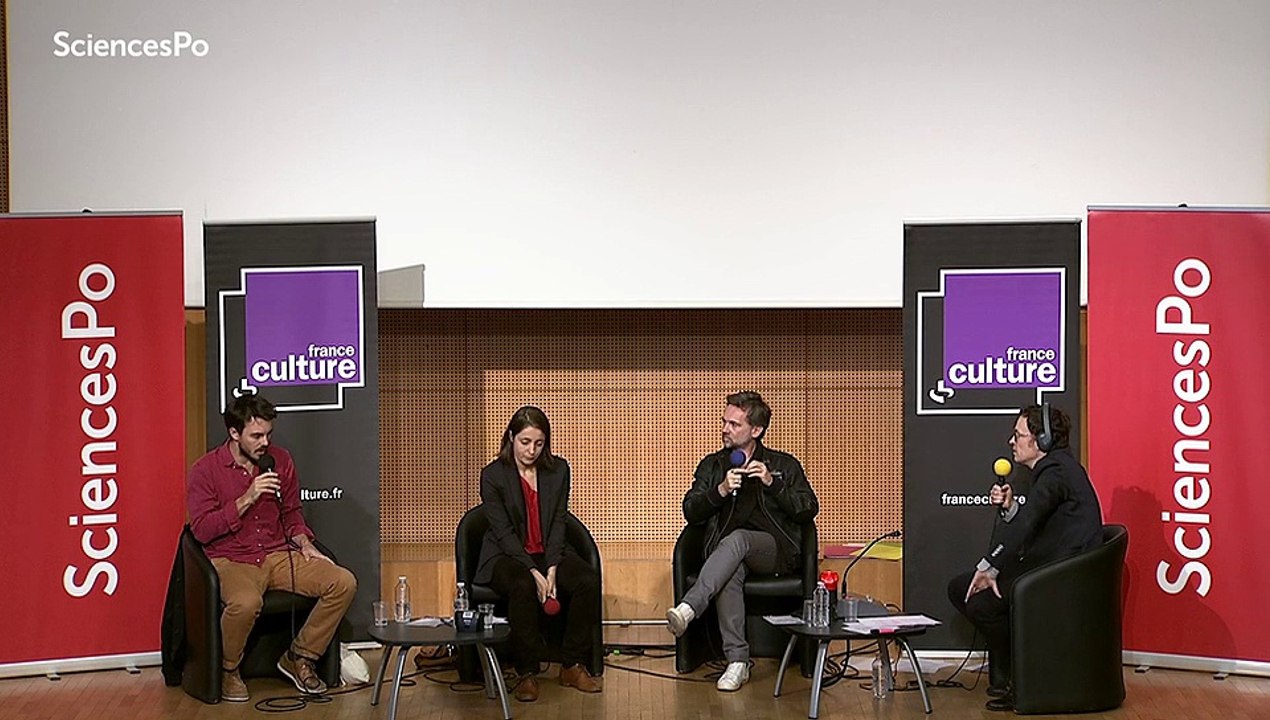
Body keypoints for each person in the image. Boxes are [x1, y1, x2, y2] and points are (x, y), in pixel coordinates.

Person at [187, 393, 357, 702]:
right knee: (246, 602)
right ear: (234, 434)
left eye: (268, 434)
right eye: (256, 435)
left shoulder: (281, 460)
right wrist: (247, 498)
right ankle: (228, 670)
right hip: (231, 557)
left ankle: (299, 656)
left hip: (279, 554)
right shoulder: (205, 470)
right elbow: (201, 530)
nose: (264, 442)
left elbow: (291, 512)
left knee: (342, 581)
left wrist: (304, 542)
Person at [947, 403, 1103, 712]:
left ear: (1041, 440)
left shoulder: (1056, 472)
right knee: (960, 588)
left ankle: (1025, 676)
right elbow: (1035, 519)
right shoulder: (1055, 469)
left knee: (978, 600)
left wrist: (989, 566)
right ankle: (1013, 675)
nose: (1011, 442)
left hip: (1061, 578)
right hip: (1049, 569)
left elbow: (1031, 523)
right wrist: (1010, 508)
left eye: (1018, 435)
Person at [666, 391, 820, 692]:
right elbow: (690, 510)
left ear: (756, 430)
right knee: (730, 567)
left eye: (734, 424)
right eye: (724, 422)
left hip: (775, 552)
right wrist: (720, 490)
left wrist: (772, 484)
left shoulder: (783, 465)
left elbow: (807, 508)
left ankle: (689, 607)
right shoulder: (713, 466)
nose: (724, 429)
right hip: (728, 556)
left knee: (738, 540)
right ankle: (737, 662)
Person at [474, 406, 602, 702]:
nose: (531, 450)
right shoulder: (493, 475)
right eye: (525, 442)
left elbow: (559, 522)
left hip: (548, 551)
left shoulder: (558, 470)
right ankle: (526, 672)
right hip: (506, 555)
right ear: (511, 438)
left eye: (539, 443)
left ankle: (571, 664)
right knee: (521, 585)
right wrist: (534, 572)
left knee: (586, 580)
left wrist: (553, 566)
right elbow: (503, 532)